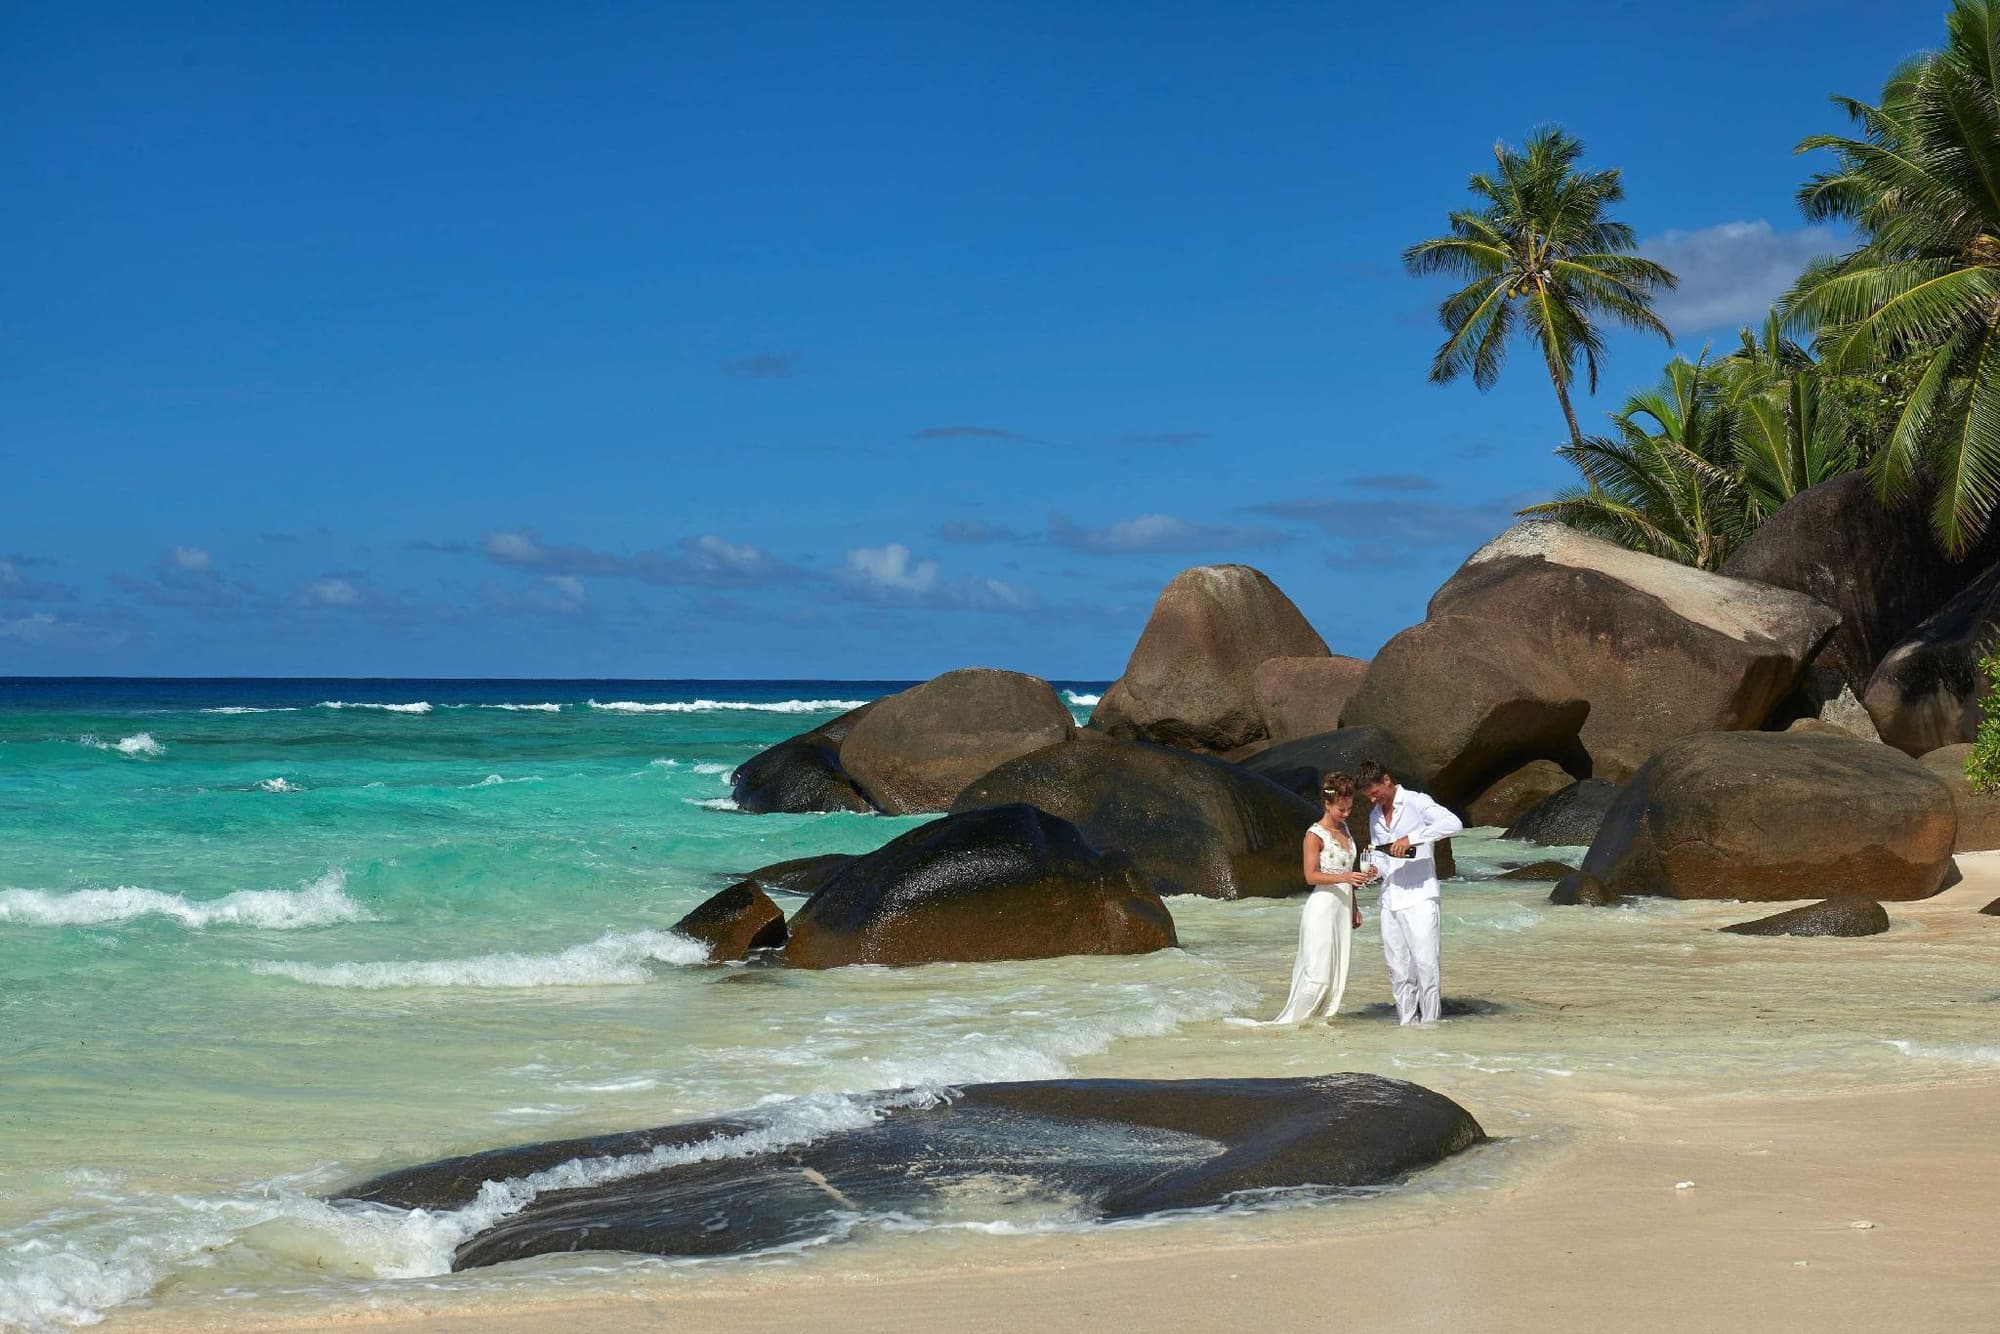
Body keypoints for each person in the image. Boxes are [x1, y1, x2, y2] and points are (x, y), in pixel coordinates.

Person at [1356, 758, 1462, 1025]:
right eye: (1368, 797)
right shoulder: (1375, 816)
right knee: (1398, 969)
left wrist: (1411, 838)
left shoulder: (1417, 801)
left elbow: (1453, 823)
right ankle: (1406, 1023)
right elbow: (1381, 857)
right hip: (1390, 898)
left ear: (1386, 780)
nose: (1373, 800)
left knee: (1426, 965)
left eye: (1375, 793)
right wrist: (1373, 871)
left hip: (1420, 895)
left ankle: (1430, 1025)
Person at [1269, 772, 1378, 1025]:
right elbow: (1310, 876)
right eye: (1341, 809)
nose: (1347, 814)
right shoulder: (1314, 835)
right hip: (1322, 909)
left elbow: (1348, 872)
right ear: (1327, 804)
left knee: (1336, 972)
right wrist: (1346, 877)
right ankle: (1293, 1025)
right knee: (1317, 975)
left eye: (1350, 808)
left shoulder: (1345, 829)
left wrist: (1354, 907)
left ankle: (1318, 1026)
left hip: (1342, 909)